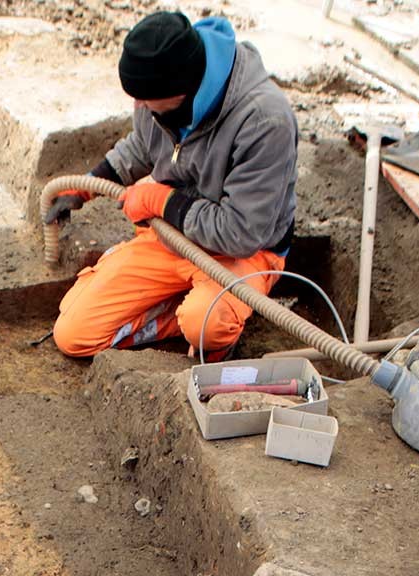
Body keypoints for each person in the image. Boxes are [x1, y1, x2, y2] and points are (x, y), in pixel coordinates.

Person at [47, 11, 299, 361]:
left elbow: (243, 233)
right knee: (74, 335)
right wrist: (89, 183)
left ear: (181, 91)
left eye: (146, 99)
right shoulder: (162, 96)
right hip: (172, 237)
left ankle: (210, 326)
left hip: (243, 253)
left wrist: (162, 201)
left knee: (205, 324)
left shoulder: (265, 121)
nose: (139, 106)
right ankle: (176, 306)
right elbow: (143, 144)